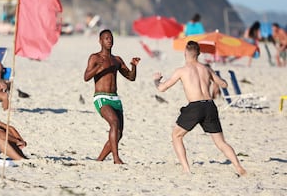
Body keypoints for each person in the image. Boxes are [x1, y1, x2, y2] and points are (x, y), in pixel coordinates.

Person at [153, 41, 246, 176]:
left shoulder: (181, 70)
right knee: (221, 142)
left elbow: (162, 88)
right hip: (209, 105)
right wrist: (214, 78)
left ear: (185, 53)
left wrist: (156, 80)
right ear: (199, 54)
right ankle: (238, 167)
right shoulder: (206, 68)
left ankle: (186, 169)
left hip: (195, 107)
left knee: (176, 136)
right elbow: (224, 84)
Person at [84, 29, 140, 164]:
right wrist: (99, 68)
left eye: (111, 38)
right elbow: (86, 77)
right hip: (101, 98)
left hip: (115, 98)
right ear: (100, 41)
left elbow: (131, 77)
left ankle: (99, 160)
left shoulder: (117, 59)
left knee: (119, 133)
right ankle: (116, 158)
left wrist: (133, 66)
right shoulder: (95, 58)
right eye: (106, 38)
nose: (109, 40)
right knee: (114, 123)